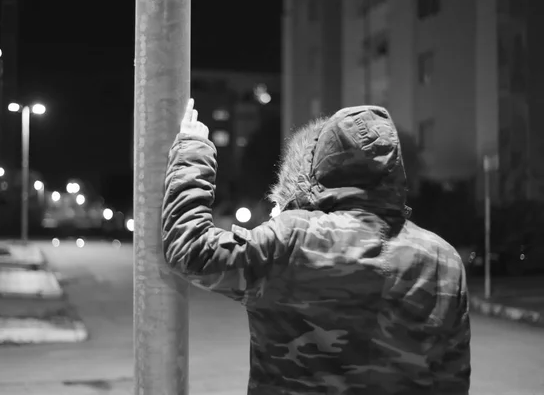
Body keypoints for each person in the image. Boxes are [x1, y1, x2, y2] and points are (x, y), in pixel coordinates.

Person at [162, 99, 471, 394]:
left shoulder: (293, 238)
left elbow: (190, 249)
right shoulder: (444, 260)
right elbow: (452, 380)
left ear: (324, 162)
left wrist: (193, 151)